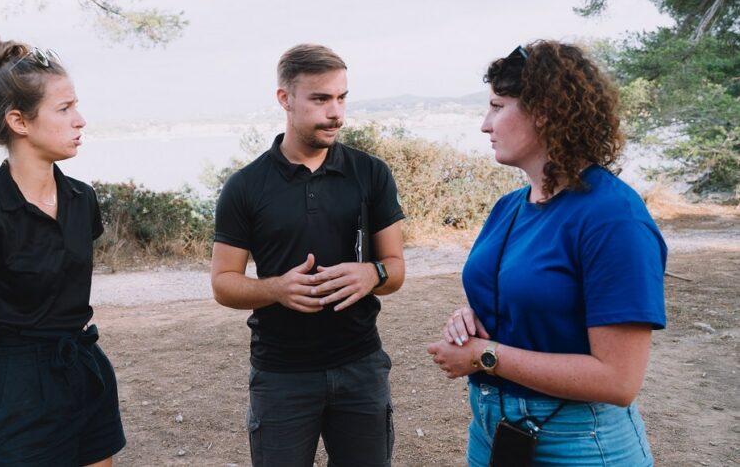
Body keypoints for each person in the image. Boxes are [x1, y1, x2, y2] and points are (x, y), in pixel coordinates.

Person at [427, 41, 667, 466]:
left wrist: (485, 356)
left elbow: (619, 380)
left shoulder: (613, 217)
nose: (486, 124)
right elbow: (528, 295)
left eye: (498, 106)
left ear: (545, 111)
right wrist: (469, 318)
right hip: (492, 433)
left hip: (580, 441)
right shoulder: (508, 207)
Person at [0, 34, 126, 466]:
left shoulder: (81, 200)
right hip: (15, 392)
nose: (81, 120)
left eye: (76, 105)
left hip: (83, 368)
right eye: (64, 109)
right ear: (20, 122)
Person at [211, 43, 407, 466]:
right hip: (281, 375)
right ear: (285, 99)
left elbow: (395, 270)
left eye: (341, 98)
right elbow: (224, 283)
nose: (335, 112)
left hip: (362, 366)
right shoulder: (245, 187)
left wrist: (371, 274)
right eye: (321, 99)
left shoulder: (370, 173)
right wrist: (276, 288)